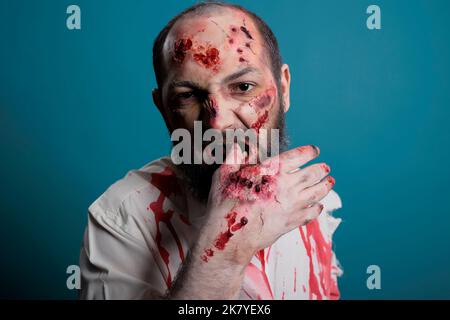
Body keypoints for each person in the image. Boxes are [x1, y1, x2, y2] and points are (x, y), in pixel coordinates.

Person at [79, 1, 342, 300]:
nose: (217, 125)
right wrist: (224, 253)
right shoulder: (121, 218)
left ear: (284, 89)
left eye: (243, 87)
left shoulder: (313, 202)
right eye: (188, 96)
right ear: (163, 110)